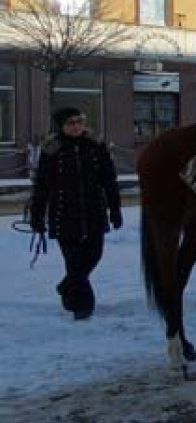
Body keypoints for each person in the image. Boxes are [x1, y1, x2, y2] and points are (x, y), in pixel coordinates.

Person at [29, 107, 122, 320]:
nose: (76, 126)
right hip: (64, 212)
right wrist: (37, 216)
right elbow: (42, 186)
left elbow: (109, 179)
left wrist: (115, 209)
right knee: (74, 261)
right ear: (61, 126)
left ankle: (66, 286)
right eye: (70, 123)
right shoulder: (52, 150)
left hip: (93, 211)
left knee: (94, 255)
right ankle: (82, 306)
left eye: (79, 121)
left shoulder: (95, 146)